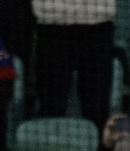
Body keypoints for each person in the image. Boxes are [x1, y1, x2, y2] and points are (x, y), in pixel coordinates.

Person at [32, 0, 114, 130]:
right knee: (51, 105)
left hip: (97, 23)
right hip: (52, 25)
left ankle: (100, 148)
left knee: (96, 106)